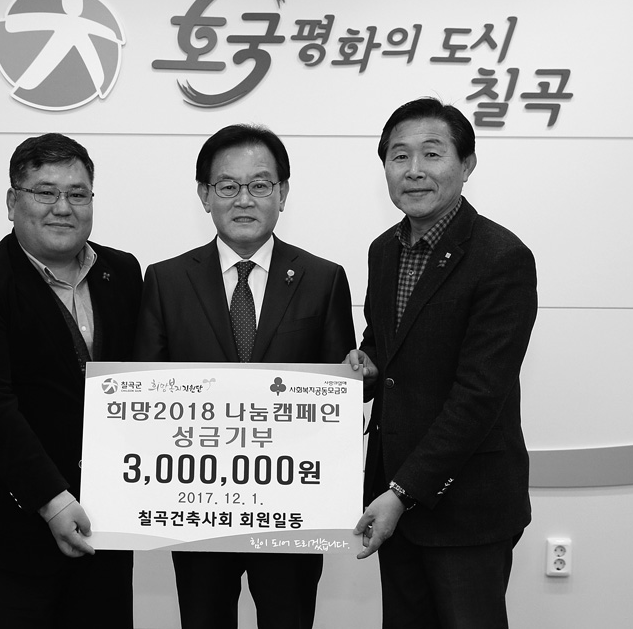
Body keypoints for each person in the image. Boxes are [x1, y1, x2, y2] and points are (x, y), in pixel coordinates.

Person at [134, 124, 356, 629]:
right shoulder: (166, 280)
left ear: (282, 193)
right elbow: (147, 394)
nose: (244, 199)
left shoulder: (324, 279)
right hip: (198, 506)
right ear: (204, 195)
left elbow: (339, 397)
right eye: (227, 186)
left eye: (259, 184)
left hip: (292, 511)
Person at [347, 98, 537, 629]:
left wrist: (402, 492)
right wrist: (365, 365)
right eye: (399, 156)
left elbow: (479, 395)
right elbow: (386, 347)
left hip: (465, 507)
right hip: (393, 497)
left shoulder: (501, 257)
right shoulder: (383, 250)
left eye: (432, 154)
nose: (414, 170)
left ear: (467, 164)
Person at [0, 133, 142, 628]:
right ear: (13, 202)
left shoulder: (122, 272)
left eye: (77, 193)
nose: (63, 207)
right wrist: (52, 502)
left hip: (104, 527)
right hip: (10, 532)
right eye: (45, 192)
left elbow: (144, 384)